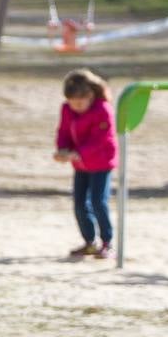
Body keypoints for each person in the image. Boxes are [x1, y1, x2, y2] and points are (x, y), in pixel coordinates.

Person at [54, 69, 117, 258]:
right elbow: (63, 131)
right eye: (72, 103)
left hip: (101, 163)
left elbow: (101, 139)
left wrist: (78, 153)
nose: (76, 107)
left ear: (90, 96)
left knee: (98, 202)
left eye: (80, 103)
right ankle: (89, 241)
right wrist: (62, 149)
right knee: (80, 204)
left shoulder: (103, 109)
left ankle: (107, 242)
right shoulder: (67, 109)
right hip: (80, 165)